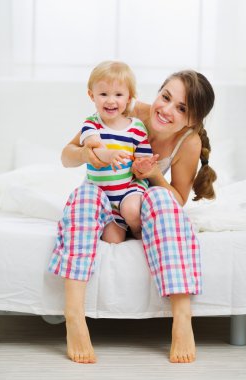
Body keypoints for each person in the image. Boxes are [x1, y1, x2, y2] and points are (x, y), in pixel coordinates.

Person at [48, 69, 217, 364]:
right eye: (165, 97)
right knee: (83, 198)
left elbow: (177, 199)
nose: (165, 110)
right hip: (106, 203)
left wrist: (153, 175)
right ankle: (74, 316)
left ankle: (182, 317)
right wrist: (88, 155)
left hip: (140, 203)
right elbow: (67, 155)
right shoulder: (127, 108)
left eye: (181, 108)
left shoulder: (187, 142)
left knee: (162, 197)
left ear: (192, 120)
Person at [79, 61, 155, 241]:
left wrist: (143, 163)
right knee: (114, 239)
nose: (111, 100)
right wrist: (110, 154)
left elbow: (144, 156)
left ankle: (136, 229)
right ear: (92, 96)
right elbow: (94, 146)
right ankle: (118, 226)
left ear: (129, 97)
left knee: (130, 210)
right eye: (103, 94)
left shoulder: (137, 127)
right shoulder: (92, 124)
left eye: (118, 94)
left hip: (128, 188)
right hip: (101, 195)